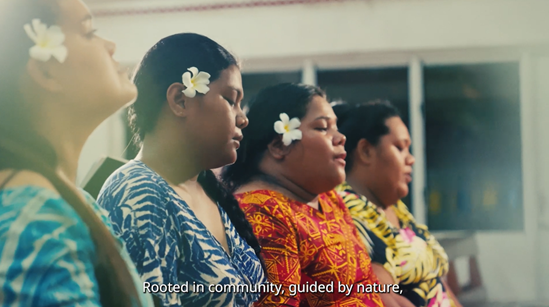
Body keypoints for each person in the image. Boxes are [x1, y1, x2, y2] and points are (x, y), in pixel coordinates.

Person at [0, 0, 153, 306]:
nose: (110, 45)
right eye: (88, 31)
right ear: (46, 71)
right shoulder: (36, 220)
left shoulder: (74, 202)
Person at [97, 33, 266, 307]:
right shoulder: (140, 192)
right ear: (180, 100)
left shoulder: (204, 187)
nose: (243, 118)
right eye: (230, 99)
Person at [222, 83, 385, 307]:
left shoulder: (328, 198)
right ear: (279, 146)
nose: (340, 137)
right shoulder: (260, 212)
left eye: (335, 127)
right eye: (322, 128)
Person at [333, 100, 462, 307]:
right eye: (400, 147)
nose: (411, 159)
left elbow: (436, 284)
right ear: (366, 151)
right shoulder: (347, 216)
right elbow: (383, 297)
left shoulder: (394, 209)